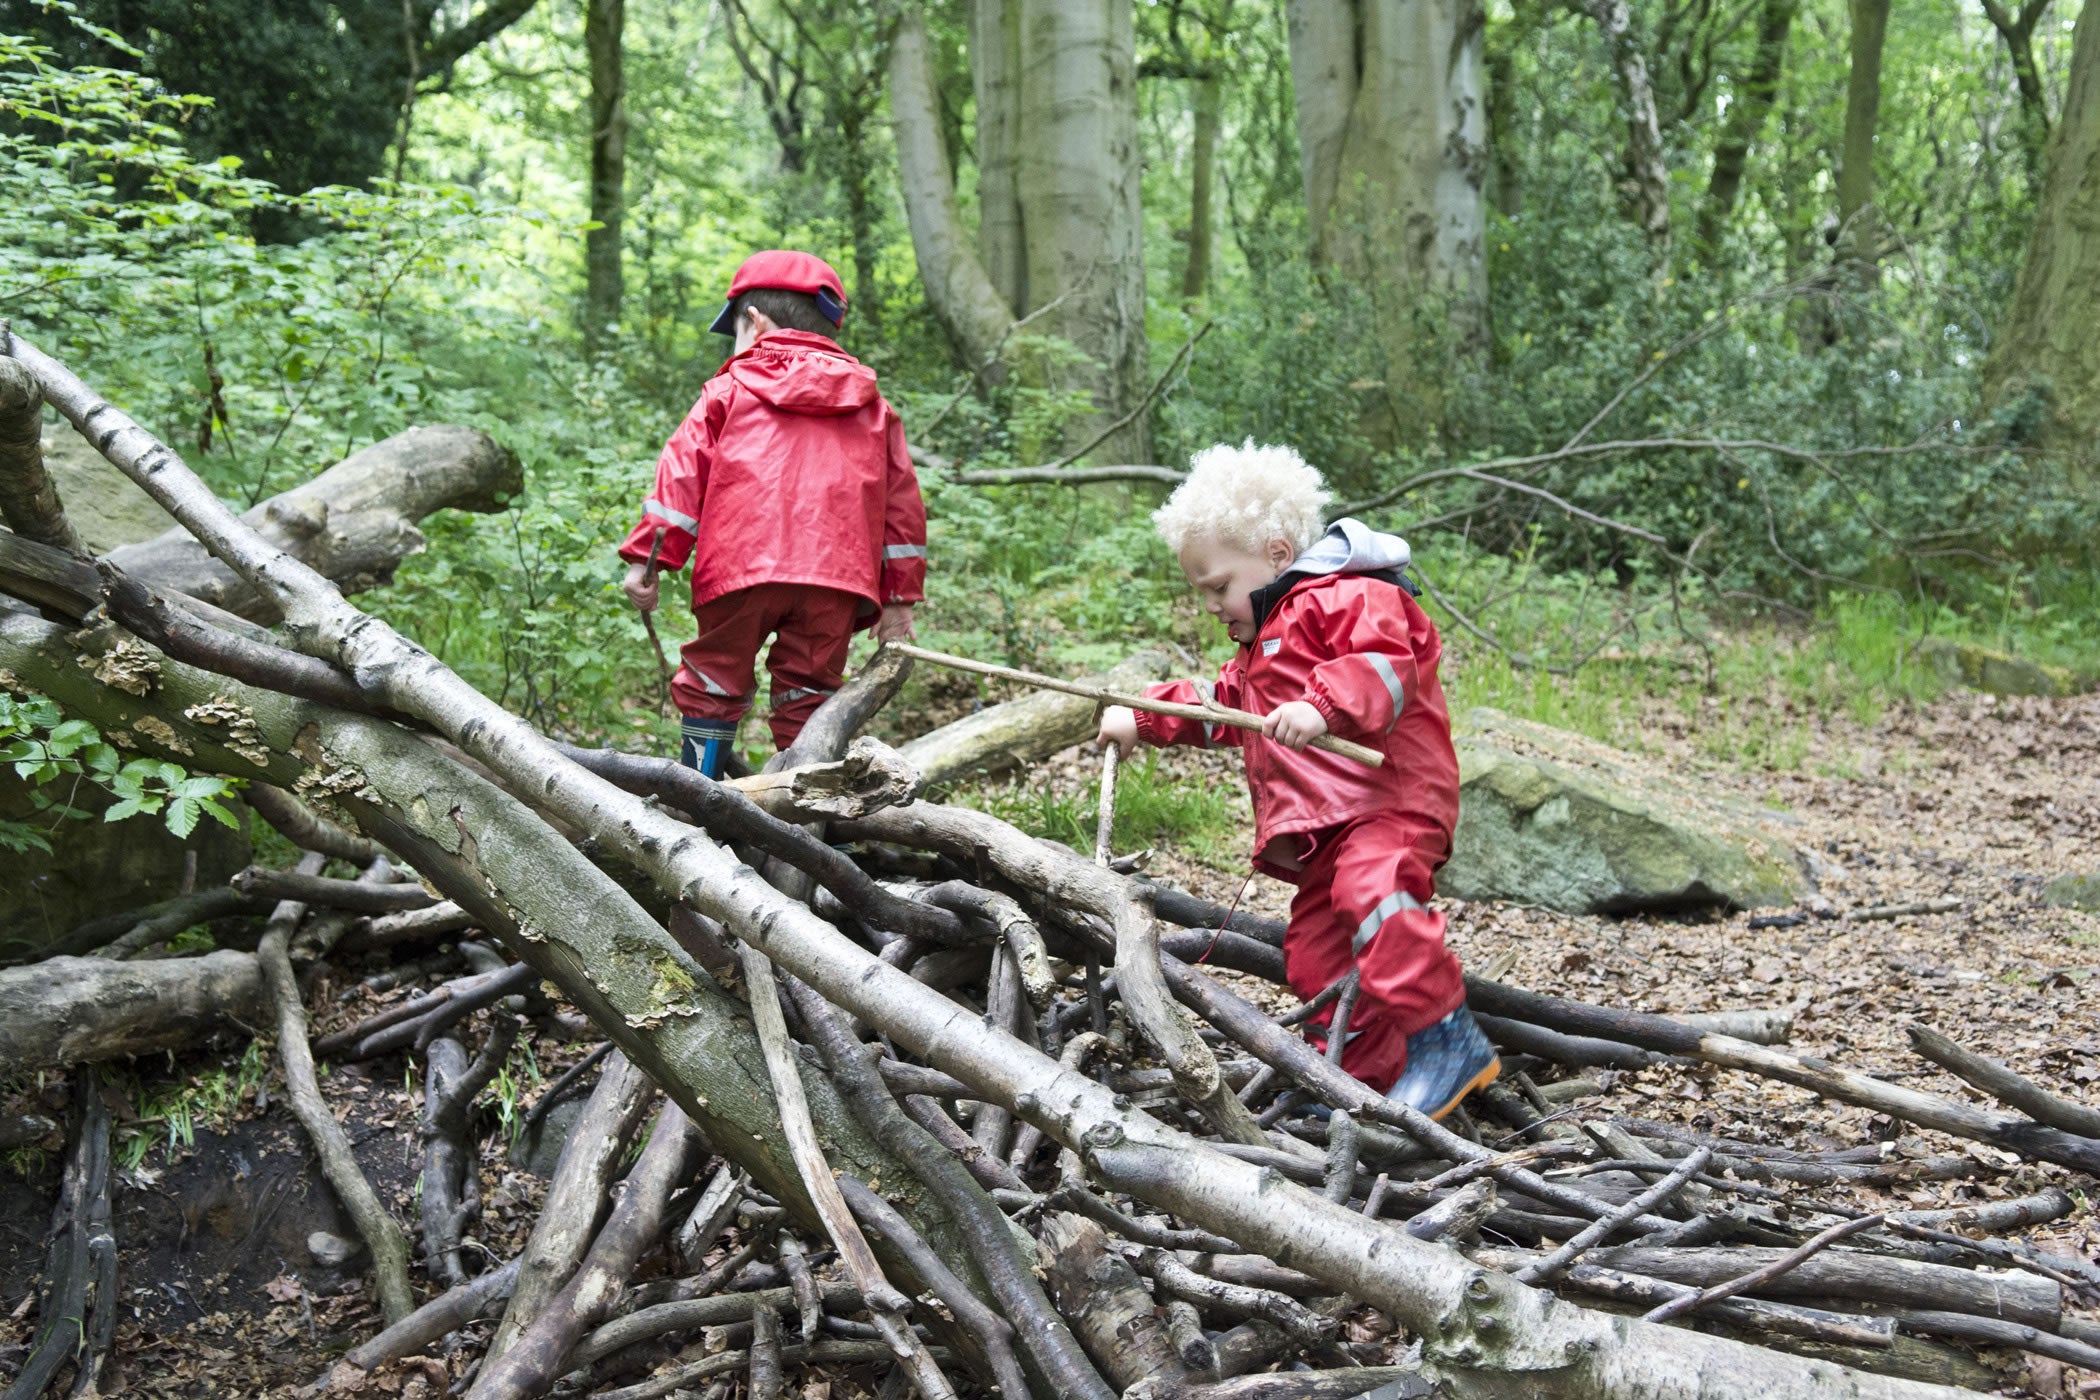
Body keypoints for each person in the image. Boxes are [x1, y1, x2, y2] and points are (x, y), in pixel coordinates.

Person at [1096, 441, 1496, 1120]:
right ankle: (1356, 1078)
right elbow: (1223, 709)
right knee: (1314, 949)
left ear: (1277, 554)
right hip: (1324, 834)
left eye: (1220, 587)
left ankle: (1445, 1035)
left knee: (1373, 891)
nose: (1215, 606)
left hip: (1390, 802)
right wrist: (1143, 715)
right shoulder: (1262, 648)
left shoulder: (1351, 596)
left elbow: (1386, 666)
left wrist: (1322, 705)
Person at [619, 250, 926, 777]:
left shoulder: (726, 393)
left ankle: (699, 805)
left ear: (755, 323)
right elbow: (902, 507)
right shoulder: (874, 408)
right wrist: (899, 597)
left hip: (740, 571)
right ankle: (806, 822)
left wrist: (649, 562)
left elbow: (680, 484)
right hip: (836, 580)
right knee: (809, 691)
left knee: (713, 679)